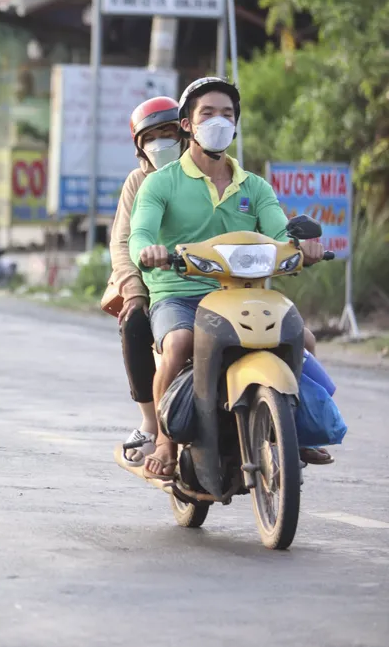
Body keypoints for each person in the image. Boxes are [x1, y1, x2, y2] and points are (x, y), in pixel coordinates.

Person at [128, 77, 327, 479]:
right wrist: (149, 252)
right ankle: (166, 442)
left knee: (303, 339)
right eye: (208, 114)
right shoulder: (159, 183)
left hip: (242, 294)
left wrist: (303, 246)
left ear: (236, 124)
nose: (219, 121)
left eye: (227, 114)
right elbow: (140, 238)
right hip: (179, 295)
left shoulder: (254, 186)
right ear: (187, 124)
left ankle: (297, 429)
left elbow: (278, 233)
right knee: (181, 341)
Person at [109, 97, 184, 466]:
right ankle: (151, 423)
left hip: (217, 281)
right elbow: (123, 241)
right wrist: (134, 291)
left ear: (184, 133)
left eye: (167, 132)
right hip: (159, 285)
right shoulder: (139, 183)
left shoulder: (216, 175)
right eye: (151, 136)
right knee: (135, 323)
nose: (160, 142)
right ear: (140, 144)